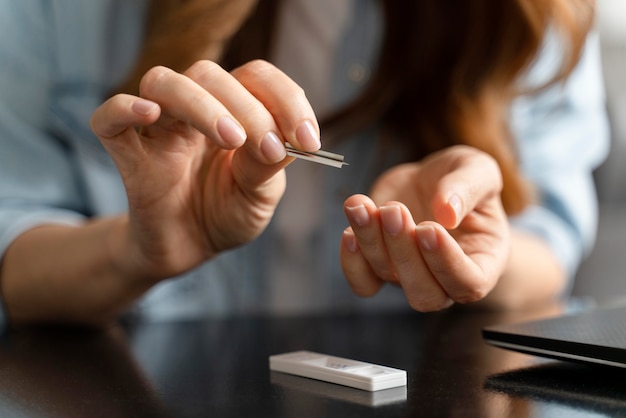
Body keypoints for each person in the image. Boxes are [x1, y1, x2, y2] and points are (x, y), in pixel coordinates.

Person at [0, 0, 609, 328]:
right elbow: (14, 248)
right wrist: (140, 251)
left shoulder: (529, 15)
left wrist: (473, 250)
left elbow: (549, 244)